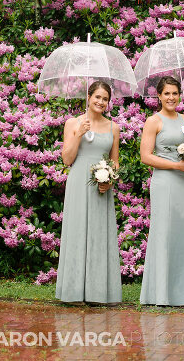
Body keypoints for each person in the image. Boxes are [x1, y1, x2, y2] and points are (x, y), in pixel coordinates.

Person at [56, 80, 122, 304]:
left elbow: (115, 162)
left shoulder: (114, 128)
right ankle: (73, 292)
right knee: (77, 232)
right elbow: (67, 159)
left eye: (105, 99)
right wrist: (78, 134)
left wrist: (109, 181)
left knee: (97, 234)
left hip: (101, 187)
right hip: (78, 183)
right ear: (88, 97)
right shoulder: (73, 123)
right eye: (97, 97)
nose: (101, 102)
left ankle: (97, 293)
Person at [139, 76, 184, 306]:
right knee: (164, 232)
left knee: (183, 233)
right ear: (159, 96)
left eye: (175, 93)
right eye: (167, 93)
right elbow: (146, 156)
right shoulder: (153, 121)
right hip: (164, 182)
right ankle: (161, 294)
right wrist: (175, 165)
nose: (171, 97)